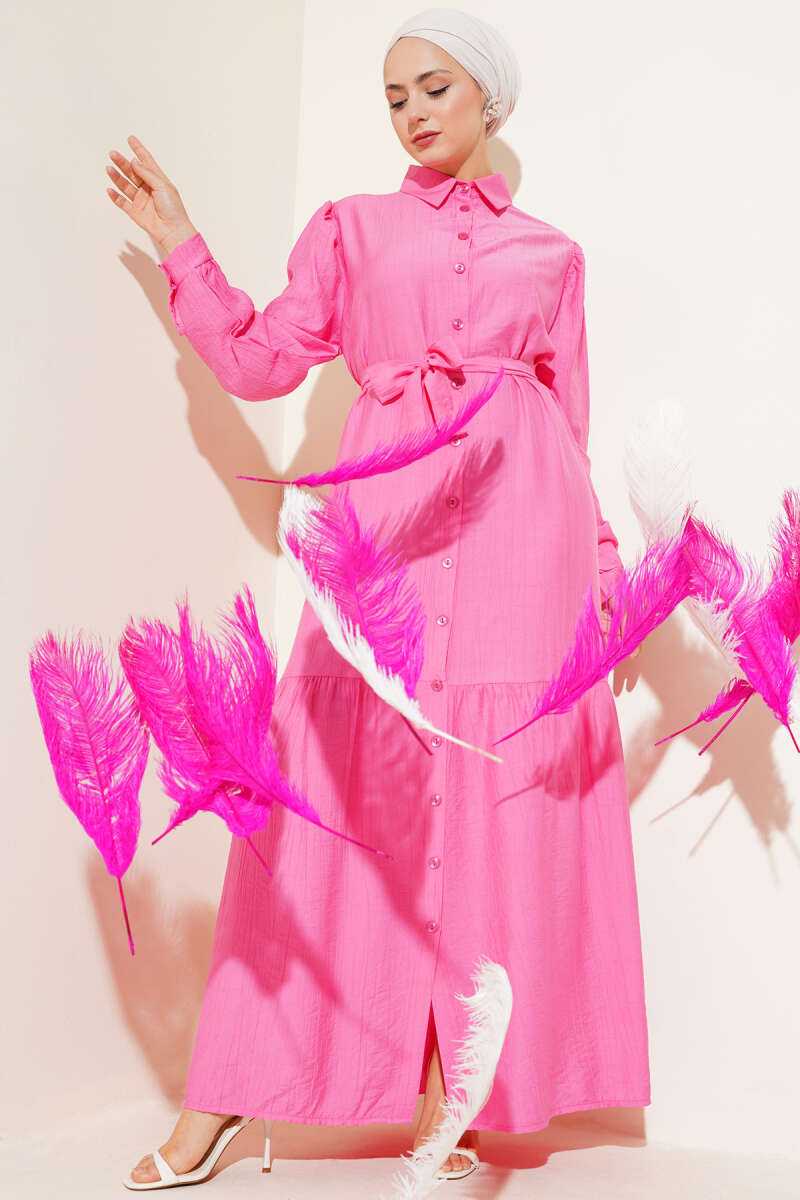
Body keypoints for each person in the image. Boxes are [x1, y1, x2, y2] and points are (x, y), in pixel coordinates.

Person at [107, 7, 649, 1188]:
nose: (410, 113)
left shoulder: (551, 256)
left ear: (487, 100)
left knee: (497, 813)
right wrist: (184, 247)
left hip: (524, 542)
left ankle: (453, 1096)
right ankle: (227, 1095)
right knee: (325, 802)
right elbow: (260, 358)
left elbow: (565, 424)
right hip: (386, 535)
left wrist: (604, 575)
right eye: (394, 95)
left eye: (433, 88)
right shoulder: (350, 229)